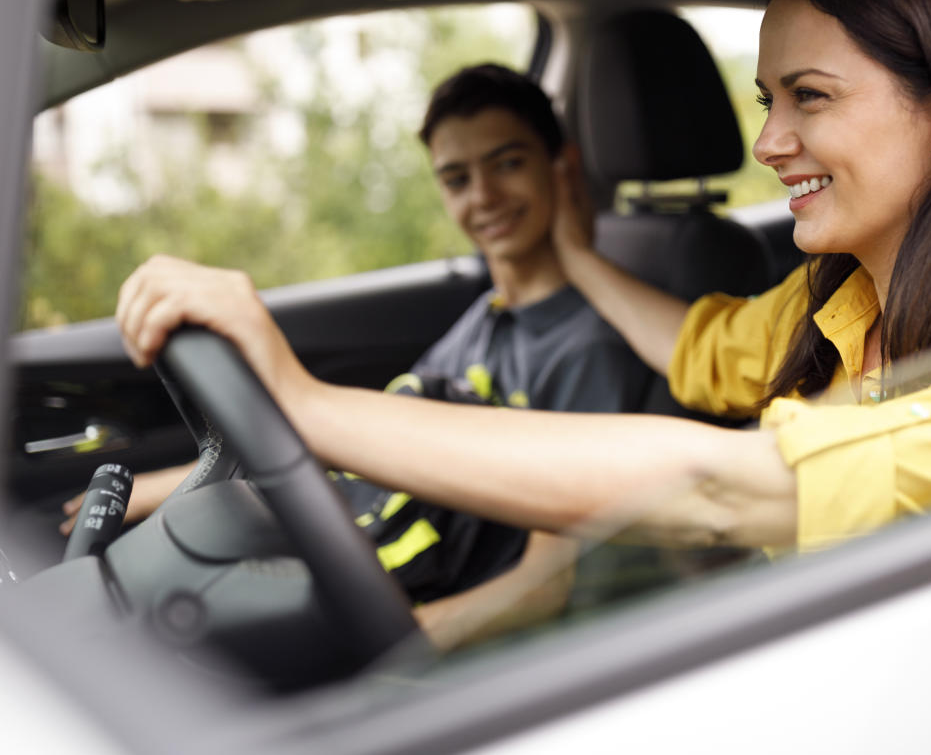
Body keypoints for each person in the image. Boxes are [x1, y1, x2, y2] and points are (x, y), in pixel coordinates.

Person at [111, 0, 931, 564]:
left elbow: (727, 487)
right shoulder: (839, 306)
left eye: (810, 97)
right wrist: (575, 253)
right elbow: (697, 350)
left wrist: (304, 405)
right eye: (768, 99)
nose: (767, 141)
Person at [66, 64, 654, 649]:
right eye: (455, 179)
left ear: (563, 166)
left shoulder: (587, 349)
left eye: (508, 163)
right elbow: (374, 450)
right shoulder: (481, 323)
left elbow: (549, 585)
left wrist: (397, 646)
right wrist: (168, 486)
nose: (484, 197)